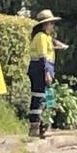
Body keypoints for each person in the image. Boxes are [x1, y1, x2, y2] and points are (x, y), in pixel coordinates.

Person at [27, 9, 62, 138]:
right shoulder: (41, 37)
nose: (52, 26)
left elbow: (50, 46)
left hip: (45, 70)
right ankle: (35, 126)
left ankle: (45, 124)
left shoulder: (46, 37)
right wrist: (46, 73)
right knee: (38, 97)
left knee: (48, 98)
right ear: (44, 25)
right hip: (39, 70)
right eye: (51, 23)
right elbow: (43, 57)